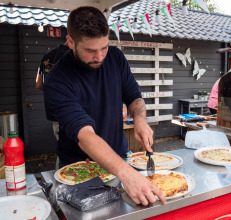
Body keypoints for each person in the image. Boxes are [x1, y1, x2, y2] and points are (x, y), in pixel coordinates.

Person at [43, 6, 166, 206]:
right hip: (78, 171)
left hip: (117, 161)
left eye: (104, 47)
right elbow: (85, 136)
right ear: (71, 42)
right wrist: (128, 174)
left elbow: (134, 96)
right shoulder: (57, 80)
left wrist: (140, 121)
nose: (99, 57)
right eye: (90, 50)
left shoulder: (115, 58)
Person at [36, 42, 70, 140]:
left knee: (62, 148)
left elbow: (38, 84)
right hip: (74, 113)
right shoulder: (75, 55)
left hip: (54, 111)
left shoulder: (48, 55)